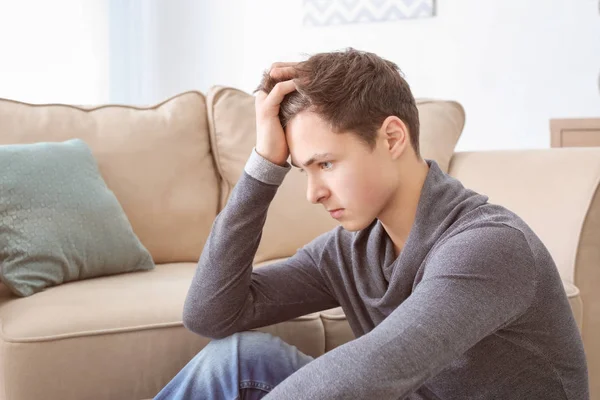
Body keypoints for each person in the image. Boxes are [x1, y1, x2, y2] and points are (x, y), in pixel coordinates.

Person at [154, 48, 589, 399]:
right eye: (306, 169)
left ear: (392, 138)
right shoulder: (351, 252)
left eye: (326, 163)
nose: (314, 192)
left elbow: (361, 378)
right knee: (236, 360)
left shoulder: (488, 247)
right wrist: (264, 165)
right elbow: (210, 314)